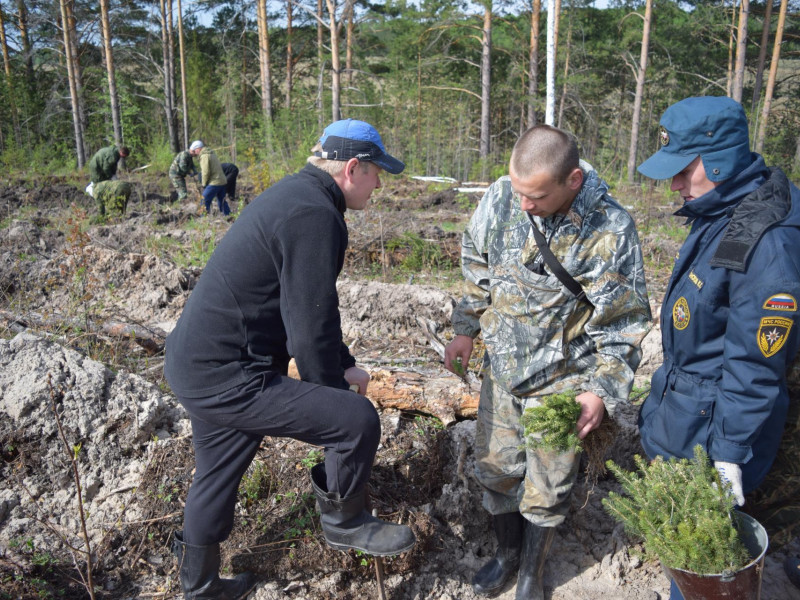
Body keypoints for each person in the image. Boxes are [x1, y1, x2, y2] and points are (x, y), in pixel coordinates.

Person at [164, 119, 415, 599]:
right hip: (229, 373)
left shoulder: (296, 196)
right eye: (377, 172)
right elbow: (308, 325)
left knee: (217, 471)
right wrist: (337, 393)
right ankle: (345, 521)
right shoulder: (316, 215)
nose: (380, 183)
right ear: (353, 168)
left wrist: (341, 361)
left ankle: (198, 588)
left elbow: (305, 302)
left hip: (196, 364)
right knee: (356, 420)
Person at [444, 124, 651, 599]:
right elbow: (476, 261)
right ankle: (506, 557)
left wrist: (599, 391)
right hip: (503, 371)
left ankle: (532, 576)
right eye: (517, 191)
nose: (523, 205)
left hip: (564, 377)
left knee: (549, 482)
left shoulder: (609, 228)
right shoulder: (502, 196)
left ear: (572, 181)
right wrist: (465, 329)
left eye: (535, 196)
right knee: (496, 469)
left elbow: (624, 321)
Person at [635, 96, 800, 599]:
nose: (675, 184)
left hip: (717, 428)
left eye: (683, 171)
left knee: (704, 557)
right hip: (691, 411)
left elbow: (755, 365)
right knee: (682, 547)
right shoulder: (727, 204)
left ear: (720, 159)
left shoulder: (766, 241)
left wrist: (728, 454)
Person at [189, 140, 231, 216]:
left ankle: (203, 220)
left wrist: (204, 184)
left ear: (198, 149)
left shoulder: (204, 156)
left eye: (194, 151)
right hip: (222, 181)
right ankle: (229, 217)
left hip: (215, 182)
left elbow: (205, 172)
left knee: (204, 200)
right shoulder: (211, 153)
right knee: (222, 201)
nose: (194, 154)